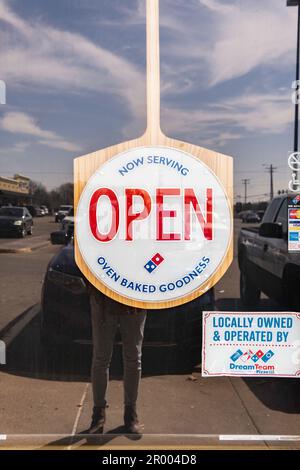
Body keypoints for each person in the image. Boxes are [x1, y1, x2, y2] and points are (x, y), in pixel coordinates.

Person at [87, 284, 147, 435]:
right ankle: (98, 414)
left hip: (135, 298)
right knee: (101, 357)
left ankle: (130, 413)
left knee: (133, 357)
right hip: (103, 298)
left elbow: (155, 261)